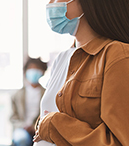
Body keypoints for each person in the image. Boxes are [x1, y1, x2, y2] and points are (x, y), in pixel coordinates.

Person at [33, 0, 129, 146]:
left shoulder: (117, 55)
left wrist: (53, 125)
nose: (51, 3)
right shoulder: (62, 57)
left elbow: (120, 141)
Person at [10, 57, 47, 146]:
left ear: (42, 72)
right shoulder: (17, 95)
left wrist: (34, 126)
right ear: (25, 71)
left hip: (40, 129)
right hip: (21, 129)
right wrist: (23, 126)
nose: (33, 71)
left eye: (37, 68)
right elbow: (13, 117)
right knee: (21, 139)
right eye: (30, 68)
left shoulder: (46, 93)